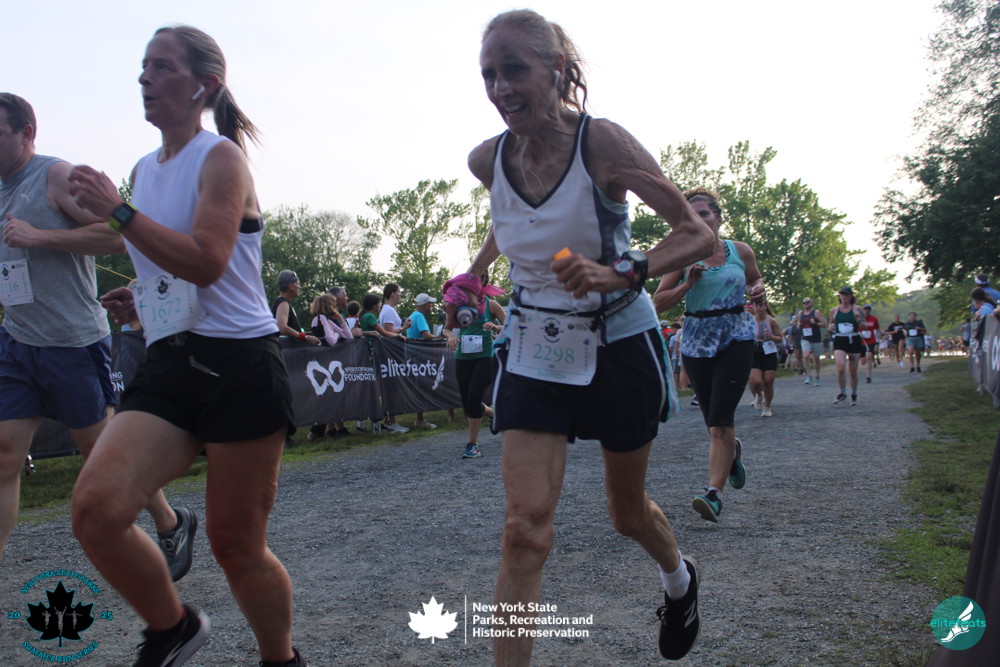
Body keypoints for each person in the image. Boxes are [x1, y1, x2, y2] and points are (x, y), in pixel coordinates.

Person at [467, 10, 715, 663]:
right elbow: (511, 213)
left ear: (556, 69)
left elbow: (696, 234)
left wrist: (623, 270)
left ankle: (679, 580)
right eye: (488, 75)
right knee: (524, 529)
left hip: (617, 343)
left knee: (625, 514)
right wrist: (477, 266)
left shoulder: (600, 143)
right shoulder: (487, 158)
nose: (499, 88)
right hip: (534, 344)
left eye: (513, 70)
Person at [66, 26, 304, 666]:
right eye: (143, 66)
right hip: (171, 362)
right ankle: (171, 629)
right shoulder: (145, 170)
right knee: (95, 511)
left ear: (205, 85)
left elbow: (206, 260)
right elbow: (171, 265)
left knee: (236, 547)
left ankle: (281, 660)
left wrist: (118, 212)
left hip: (240, 367)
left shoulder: (221, 158)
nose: (144, 77)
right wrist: (144, 298)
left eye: (162, 67)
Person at [0, 93, 196, 582]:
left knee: (102, 455)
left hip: (70, 342)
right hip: (17, 340)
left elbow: (117, 237)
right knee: (4, 455)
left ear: (26, 133)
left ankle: (170, 521)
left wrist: (40, 237)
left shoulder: (55, 176)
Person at [655, 188, 765, 523]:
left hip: (736, 334)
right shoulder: (682, 256)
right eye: (691, 215)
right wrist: (687, 284)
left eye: (704, 213)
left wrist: (757, 290)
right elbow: (659, 302)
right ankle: (731, 453)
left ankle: (713, 494)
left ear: (718, 218)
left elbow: (754, 279)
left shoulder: (740, 251)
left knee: (719, 418)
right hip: (697, 341)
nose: (699, 219)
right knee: (713, 421)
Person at [441, 273, 506, 458]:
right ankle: (493, 414)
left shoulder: (491, 305)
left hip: (485, 356)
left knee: (474, 396)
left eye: (481, 278)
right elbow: (446, 328)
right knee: (468, 403)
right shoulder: (458, 304)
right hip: (463, 356)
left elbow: (510, 325)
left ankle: (472, 444)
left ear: (484, 281)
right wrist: (450, 336)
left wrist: (495, 327)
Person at [308, 293, 355, 440]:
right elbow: (330, 339)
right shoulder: (320, 319)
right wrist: (337, 335)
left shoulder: (328, 320)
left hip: (329, 361)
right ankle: (315, 432)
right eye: (333, 304)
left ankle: (327, 430)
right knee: (325, 397)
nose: (335, 307)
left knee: (331, 396)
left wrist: (340, 320)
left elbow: (348, 336)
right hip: (322, 361)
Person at [405, 292, 441, 430]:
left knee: (419, 385)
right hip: (418, 357)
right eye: (430, 303)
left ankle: (419, 418)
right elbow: (426, 335)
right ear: (425, 304)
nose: (431, 305)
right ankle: (419, 420)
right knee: (421, 386)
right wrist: (438, 338)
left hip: (413, 355)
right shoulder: (419, 316)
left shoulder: (413, 315)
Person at [827, 287, 866, 406]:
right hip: (840, 340)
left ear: (850, 297)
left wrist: (858, 320)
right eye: (842, 295)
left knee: (853, 371)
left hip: (853, 339)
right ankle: (842, 393)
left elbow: (865, 327)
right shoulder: (834, 310)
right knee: (840, 368)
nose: (844, 297)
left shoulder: (857, 310)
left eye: (846, 295)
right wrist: (831, 327)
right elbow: (830, 324)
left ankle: (854, 394)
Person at [748, 302, 781, 417]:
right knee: (755, 381)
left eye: (761, 306)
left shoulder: (771, 321)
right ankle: (759, 395)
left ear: (765, 307)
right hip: (754, 351)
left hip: (769, 351)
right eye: (756, 306)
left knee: (768, 381)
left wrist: (772, 337)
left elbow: (780, 338)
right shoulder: (750, 321)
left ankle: (767, 406)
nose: (759, 308)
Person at [271, 269, 319, 346]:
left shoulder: (284, 302)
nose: (299, 287)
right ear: (290, 286)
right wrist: (305, 337)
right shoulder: (283, 303)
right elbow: (282, 327)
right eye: (298, 284)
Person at [795, 296, 826, 386]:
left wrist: (816, 323)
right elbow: (798, 324)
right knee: (806, 356)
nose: (806, 304)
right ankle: (808, 376)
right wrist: (798, 325)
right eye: (804, 303)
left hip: (816, 338)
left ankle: (817, 376)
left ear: (811, 303)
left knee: (816, 359)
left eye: (808, 302)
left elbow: (824, 324)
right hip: (805, 338)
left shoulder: (816, 312)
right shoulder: (801, 313)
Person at [860, 304, 881, 384]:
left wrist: (882, 334)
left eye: (868, 309)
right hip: (861, 341)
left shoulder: (874, 319)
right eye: (865, 309)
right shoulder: (859, 319)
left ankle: (868, 376)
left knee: (869, 356)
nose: (867, 311)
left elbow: (877, 328)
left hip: (871, 340)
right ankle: (864, 357)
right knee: (863, 362)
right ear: (863, 310)